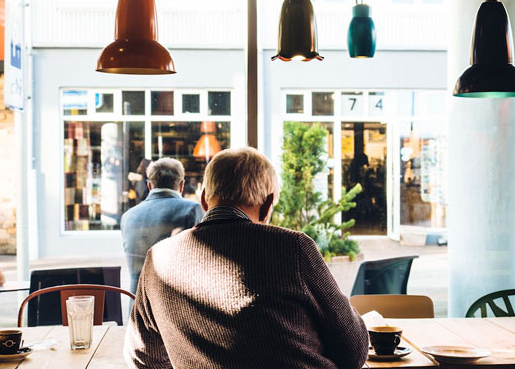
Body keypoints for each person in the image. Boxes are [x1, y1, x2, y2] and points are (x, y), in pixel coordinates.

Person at [124, 147, 369, 369]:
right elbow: (354, 352)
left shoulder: (158, 259)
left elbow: (143, 357)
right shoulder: (293, 248)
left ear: (204, 199)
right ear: (267, 205)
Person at [121, 157, 204, 295]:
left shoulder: (128, 216)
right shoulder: (192, 210)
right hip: (173, 308)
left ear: (149, 186)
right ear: (182, 185)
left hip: (137, 308)